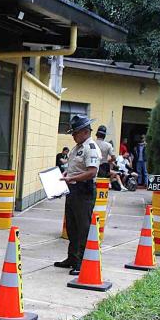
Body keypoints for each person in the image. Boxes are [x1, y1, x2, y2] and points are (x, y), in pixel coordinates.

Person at [54, 114, 100, 275]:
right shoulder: (77, 148)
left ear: (85, 132)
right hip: (73, 189)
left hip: (83, 190)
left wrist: (71, 178)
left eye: (75, 133)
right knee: (72, 226)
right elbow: (74, 166)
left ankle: (81, 262)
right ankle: (72, 258)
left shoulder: (91, 148)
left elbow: (92, 172)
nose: (73, 136)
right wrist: (67, 173)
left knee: (83, 227)